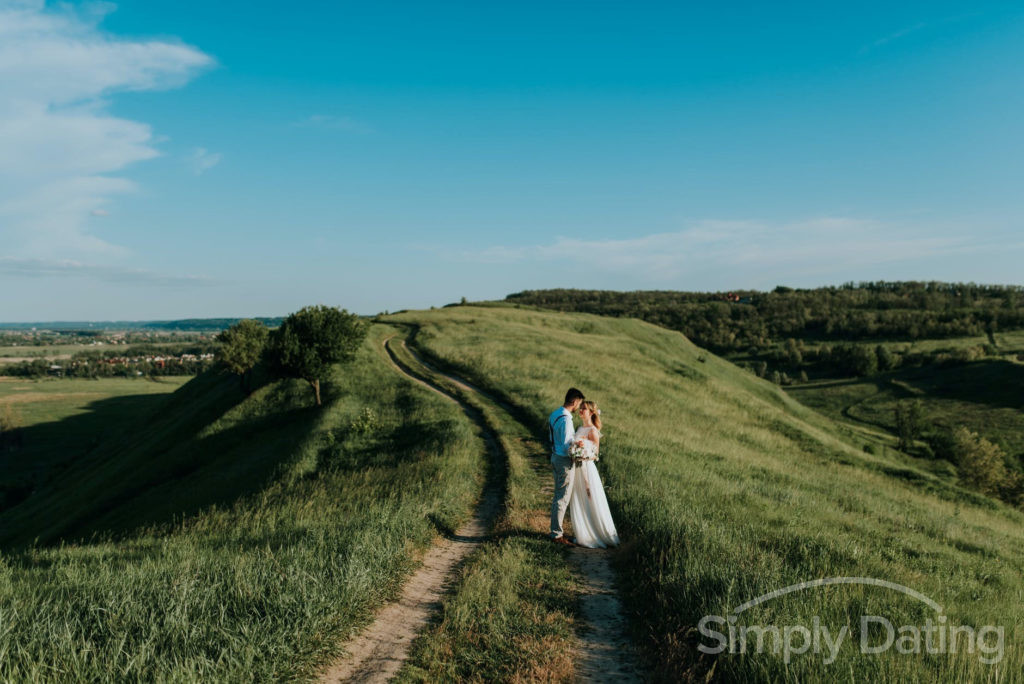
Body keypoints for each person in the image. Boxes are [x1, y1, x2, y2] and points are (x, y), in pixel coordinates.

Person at [568, 400, 620, 548]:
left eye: (584, 409)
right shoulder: (579, 429)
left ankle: (598, 534)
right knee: (579, 498)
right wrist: (574, 451)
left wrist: (582, 455)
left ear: (591, 413)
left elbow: (595, 454)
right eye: (581, 408)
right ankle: (582, 534)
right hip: (576, 469)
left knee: (590, 499)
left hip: (587, 469)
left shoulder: (592, 431)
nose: (581, 411)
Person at [549, 387, 584, 545]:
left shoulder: (555, 413)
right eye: (579, 403)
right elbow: (566, 444)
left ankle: (555, 530)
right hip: (563, 460)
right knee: (562, 498)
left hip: (555, 456)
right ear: (575, 401)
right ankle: (557, 535)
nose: (579, 407)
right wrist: (577, 445)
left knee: (558, 495)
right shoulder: (566, 419)